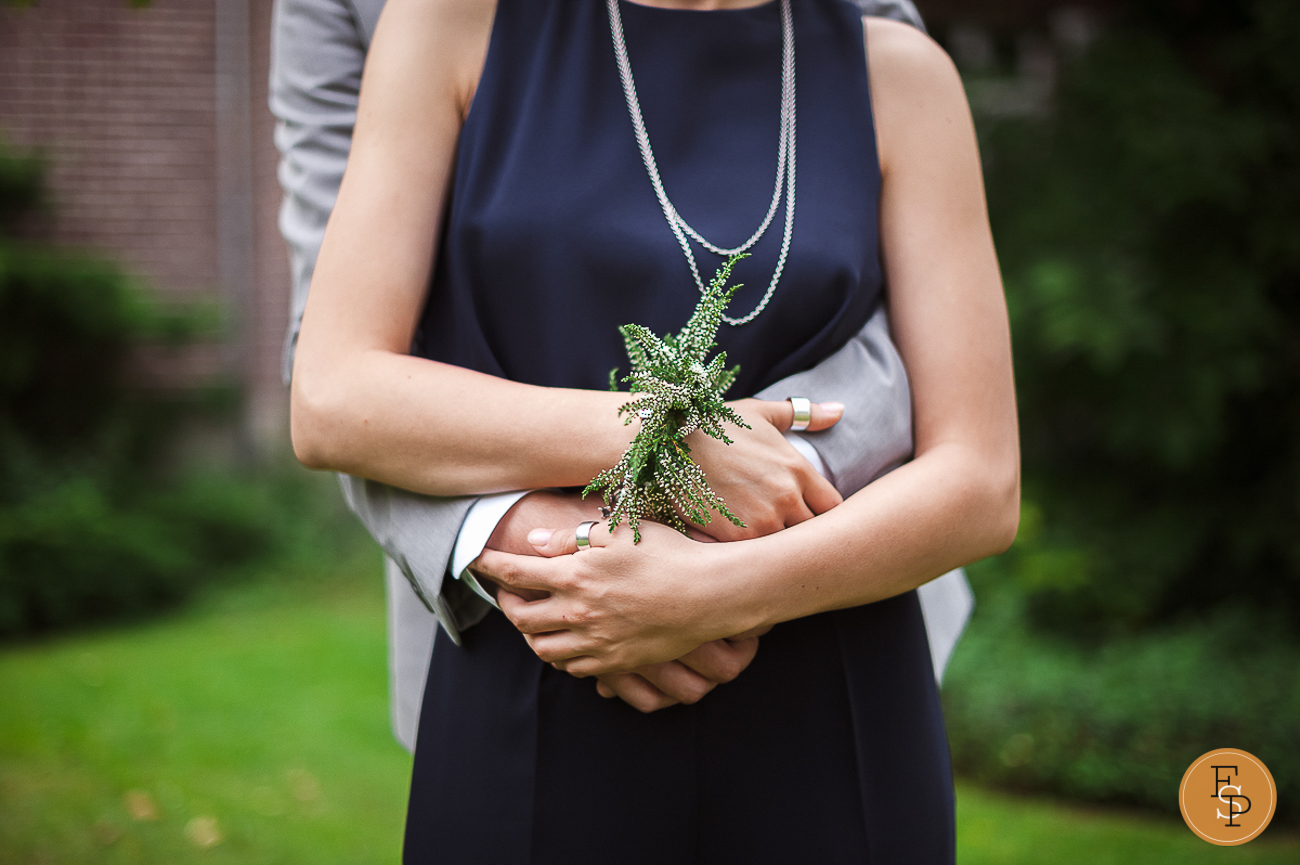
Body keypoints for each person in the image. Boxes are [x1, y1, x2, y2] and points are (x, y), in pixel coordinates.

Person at [287, 0, 1017, 861]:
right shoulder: (449, 27)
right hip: (546, 660)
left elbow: (981, 481)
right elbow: (333, 396)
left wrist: (714, 593)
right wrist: (669, 434)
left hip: (827, 674)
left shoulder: (900, 75)